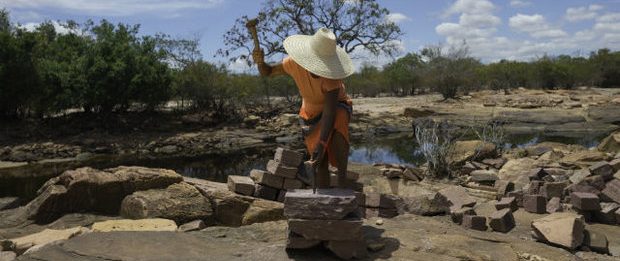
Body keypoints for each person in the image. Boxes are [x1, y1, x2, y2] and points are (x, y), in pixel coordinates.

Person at [252, 27, 353, 188]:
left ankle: (342, 185)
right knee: (319, 159)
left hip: (335, 108)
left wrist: (323, 142)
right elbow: (268, 72)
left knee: (338, 125)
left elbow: (329, 113)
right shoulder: (294, 63)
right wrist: (260, 62)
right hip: (309, 112)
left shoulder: (332, 78)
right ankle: (322, 195)